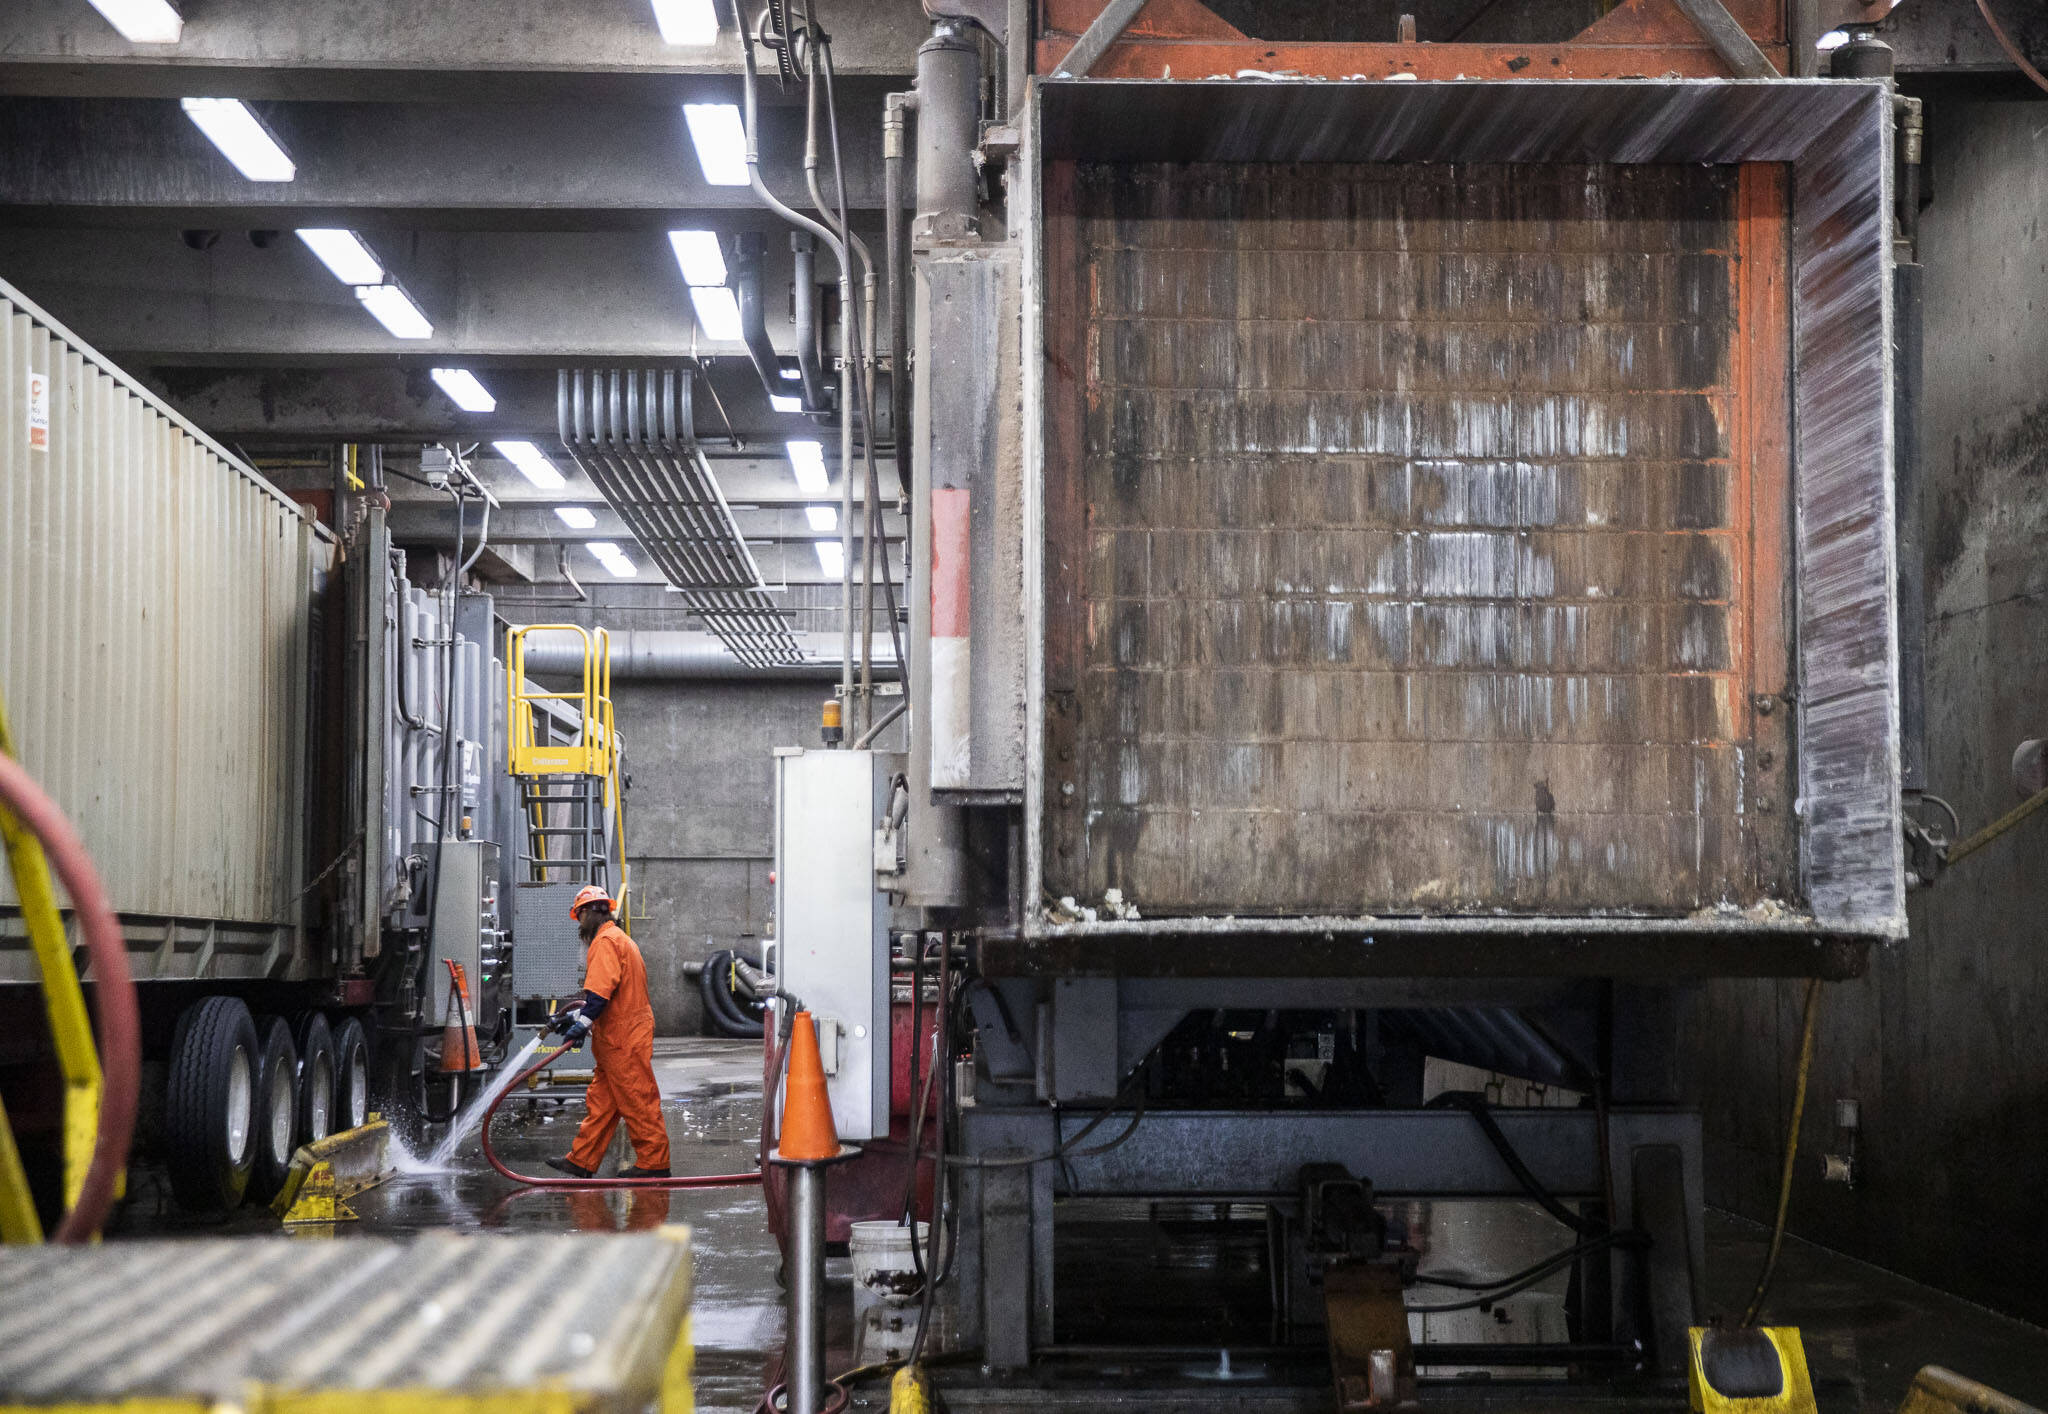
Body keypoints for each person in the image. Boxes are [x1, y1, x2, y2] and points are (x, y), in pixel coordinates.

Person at [543, 884, 671, 1178]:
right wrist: (575, 1017)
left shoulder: (604, 942)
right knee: (602, 1102)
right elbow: (606, 996)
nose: (580, 923)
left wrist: (581, 1026)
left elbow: (599, 995)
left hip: (623, 1039)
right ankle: (582, 1160)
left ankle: (655, 1163)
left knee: (638, 1099)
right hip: (618, 1035)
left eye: (580, 915)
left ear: (588, 912)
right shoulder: (618, 939)